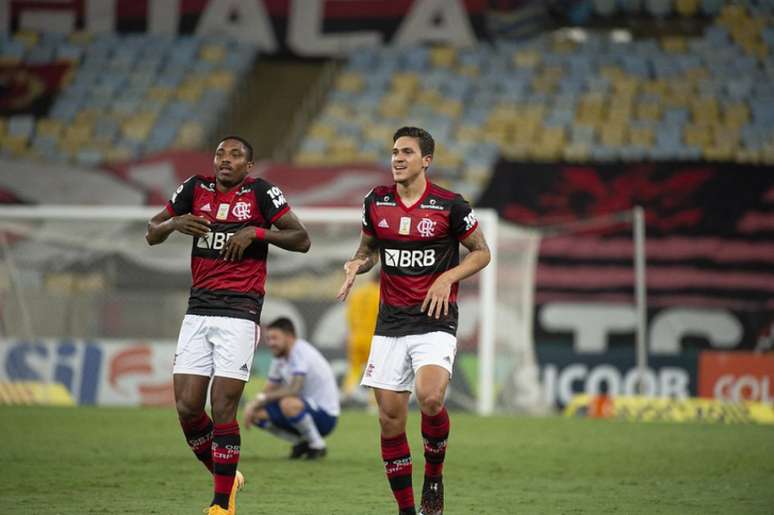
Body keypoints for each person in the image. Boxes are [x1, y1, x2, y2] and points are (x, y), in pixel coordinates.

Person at [145, 136, 310, 515]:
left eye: (236, 155)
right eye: (221, 153)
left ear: (248, 167)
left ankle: (222, 503)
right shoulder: (193, 189)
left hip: (240, 311)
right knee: (187, 408)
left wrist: (258, 232)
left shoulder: (262, 194)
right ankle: (228, 475)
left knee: (222, 407)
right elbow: (151, 232)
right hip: (198, 309)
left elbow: (302, 239)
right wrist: (173, 222)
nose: (226, 160)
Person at [336, 127, 491, 515]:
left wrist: (446, 277)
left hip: (434, 321)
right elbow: (369, 247)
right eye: (393, 152)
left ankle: (434, 477)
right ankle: (407, 510)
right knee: (390, 421)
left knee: (431, 397)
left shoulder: (451, 205)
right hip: (390, 325)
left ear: (426, 160)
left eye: (407, 152)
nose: (397, 158)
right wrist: (358, 263)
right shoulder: (376, 201)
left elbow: (481, 252)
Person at [242, 317, 340, 459]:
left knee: (288, 403)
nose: (270, 343)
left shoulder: (300, 352)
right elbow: (269, 388)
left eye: (274, 338)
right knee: (257, 414)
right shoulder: (279, 358)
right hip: (304, 409)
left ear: (289, 337)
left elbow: (294, 389)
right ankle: (301, 442)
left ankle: (318, 445)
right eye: (268, 339)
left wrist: (260, 399)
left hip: (325, 416)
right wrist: (252, 405)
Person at [343, 269, 379, 403]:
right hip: (373, 338)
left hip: (355, 337)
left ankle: (347, 395)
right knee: (375, 370)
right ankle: (373, 403)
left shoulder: (357, 293)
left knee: (354, 369)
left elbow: (349, 316)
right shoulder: (381, 293)